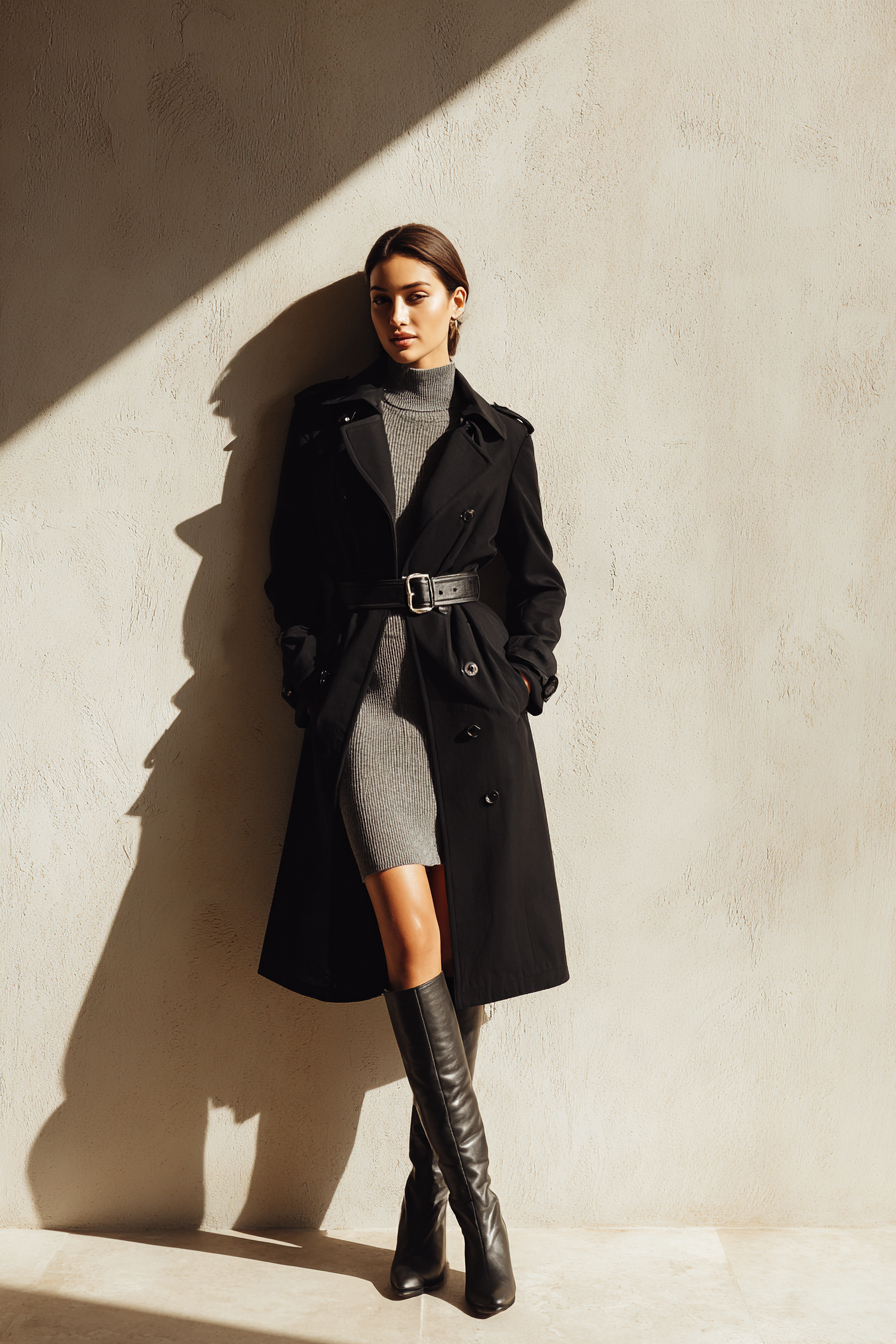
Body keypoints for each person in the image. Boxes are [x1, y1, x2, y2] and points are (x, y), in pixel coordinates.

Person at [258, 223, 567, 1316]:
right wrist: (311, 687)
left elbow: (536, 584)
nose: (394, 315)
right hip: (366, 709)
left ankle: (416, 1207)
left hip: (472, 711)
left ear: (457, 302)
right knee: (412, 940)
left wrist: (522, 679)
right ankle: (483, 1220)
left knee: (462, 952)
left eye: (415, 295)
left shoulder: (498, 434)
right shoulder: (324, 421)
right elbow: (288, 576)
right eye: (380, 298)